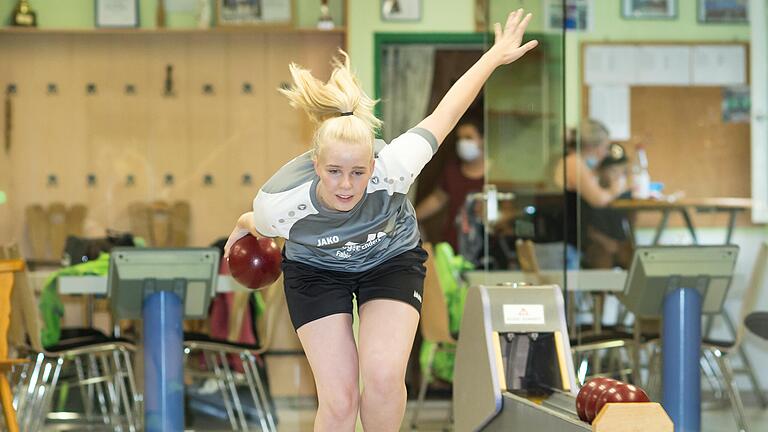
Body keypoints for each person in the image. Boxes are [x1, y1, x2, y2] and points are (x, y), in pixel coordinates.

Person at [223, 9, 538, 431]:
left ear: (373, 166)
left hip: (390, 260)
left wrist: (494, 56)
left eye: (358, 173)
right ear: (316, 165)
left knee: (386, 378)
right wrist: (247, 222)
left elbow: (449, 110)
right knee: (339, 399)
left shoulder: (396, 165)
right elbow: (261, 221)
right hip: (316, 271)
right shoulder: (280, 202)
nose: (346, 186)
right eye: (334, 172)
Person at [553, 118, 628, 268]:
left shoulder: (577, 162)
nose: (606, 153)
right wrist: (616, 188)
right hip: (564, 241)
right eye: (605, 147)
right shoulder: (574, 162)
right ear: (595, 145)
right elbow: (598, 199)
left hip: (572, 239)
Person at [415, 118, 485, 252]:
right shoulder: (453, 170)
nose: (463, 143)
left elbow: (507, 210)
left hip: (486, 250)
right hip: (453, 247)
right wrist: (411, 216)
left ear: (482, 140)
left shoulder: (495, 174)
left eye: (469, 137)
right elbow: (438, 199)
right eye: (460, 138)